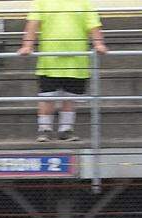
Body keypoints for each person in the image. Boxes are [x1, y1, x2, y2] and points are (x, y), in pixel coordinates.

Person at [18, 0, 106, 142]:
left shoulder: (84, 3)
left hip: (77, 60)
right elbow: (33, 23)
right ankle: (44, 129)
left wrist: (99, 43)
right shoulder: (42, 2)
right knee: (47, 97)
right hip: (49, 59)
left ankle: (66, 130)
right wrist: (27, 45)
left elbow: (93, 25)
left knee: (70, 98)